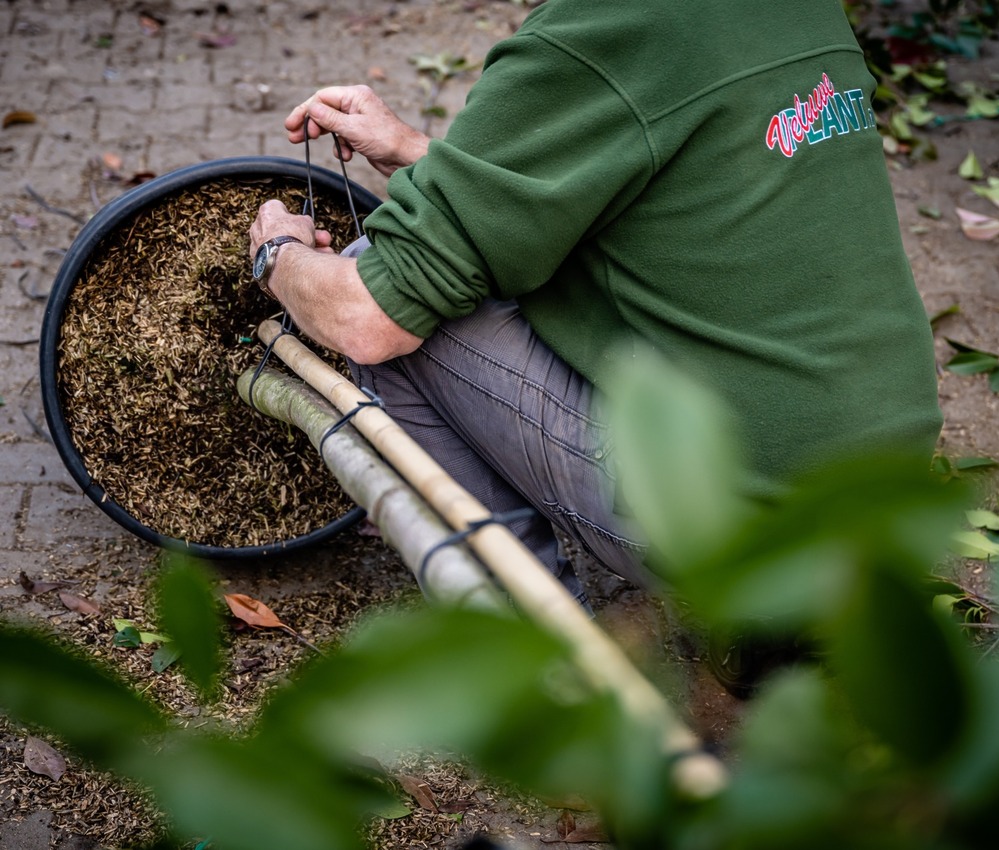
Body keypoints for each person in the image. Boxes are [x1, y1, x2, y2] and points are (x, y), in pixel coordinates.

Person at [249, 0, 943, 612]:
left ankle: (537, 665)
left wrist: (277, 256)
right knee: (446, 273)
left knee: (389, 291)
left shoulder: (602, 28)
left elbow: (366, 320)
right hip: (891, 497)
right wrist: (418, 153)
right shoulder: (799, 11)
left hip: (746, 523)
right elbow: (652, 172)